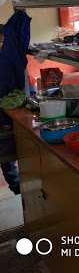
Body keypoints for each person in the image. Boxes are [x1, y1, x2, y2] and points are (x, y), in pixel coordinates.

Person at [0, 23, 21, 195]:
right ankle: (16, 186)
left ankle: (19, 186)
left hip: (10, 110)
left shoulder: (8, 57)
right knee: (6, 156)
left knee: (13, 152)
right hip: (4, 114)